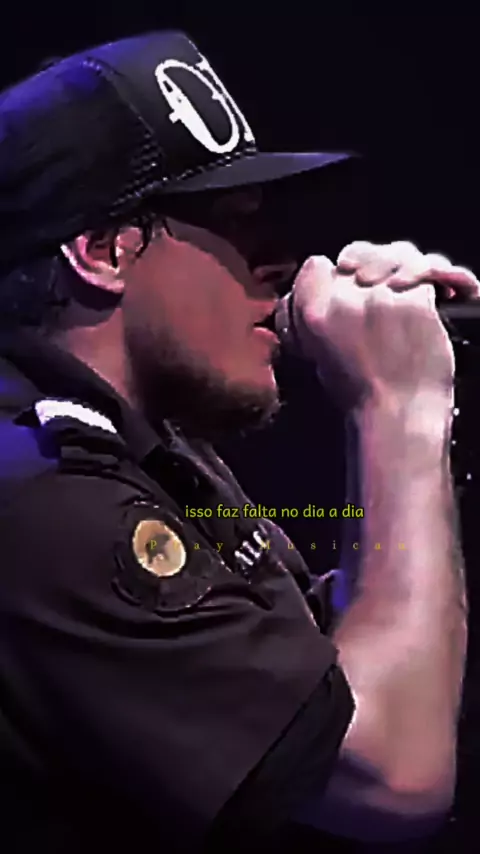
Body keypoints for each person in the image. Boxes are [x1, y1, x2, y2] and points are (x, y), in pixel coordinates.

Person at [0, 29, 475, 853]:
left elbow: (326, 668)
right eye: (233, 224)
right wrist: (399, 409)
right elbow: (392, 774)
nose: (283, 263)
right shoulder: (45, 501)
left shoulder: (155, 449)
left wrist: (423, 430)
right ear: (104, 250)